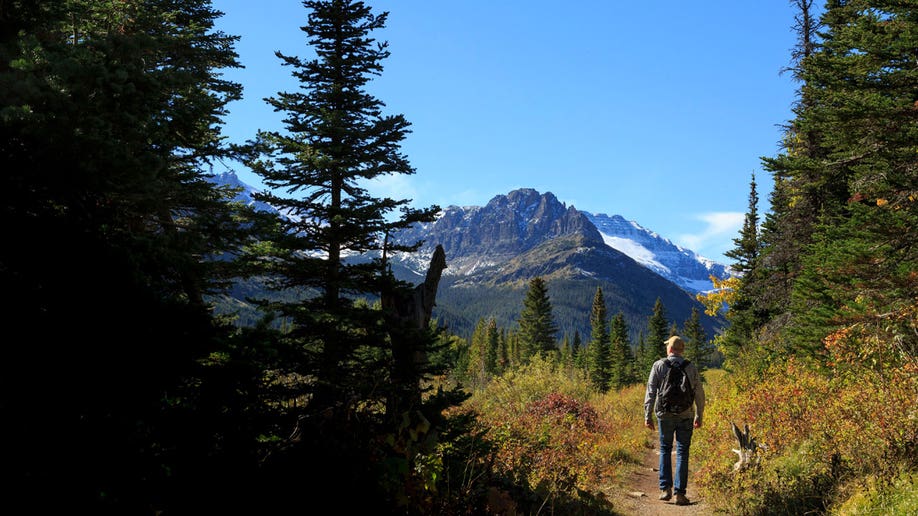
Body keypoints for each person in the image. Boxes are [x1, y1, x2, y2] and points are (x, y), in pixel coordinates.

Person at [643, 335, 705, 506]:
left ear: (669, 349)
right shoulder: (690, 367)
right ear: (681, 350)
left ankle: (665, 489)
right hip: (686, 414)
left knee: (665, 449)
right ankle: (680, 493)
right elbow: (699, 393)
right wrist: (699, 415)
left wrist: (647, 416)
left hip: (664, 414)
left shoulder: (659, 365)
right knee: (683, 452)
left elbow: (650, 392)